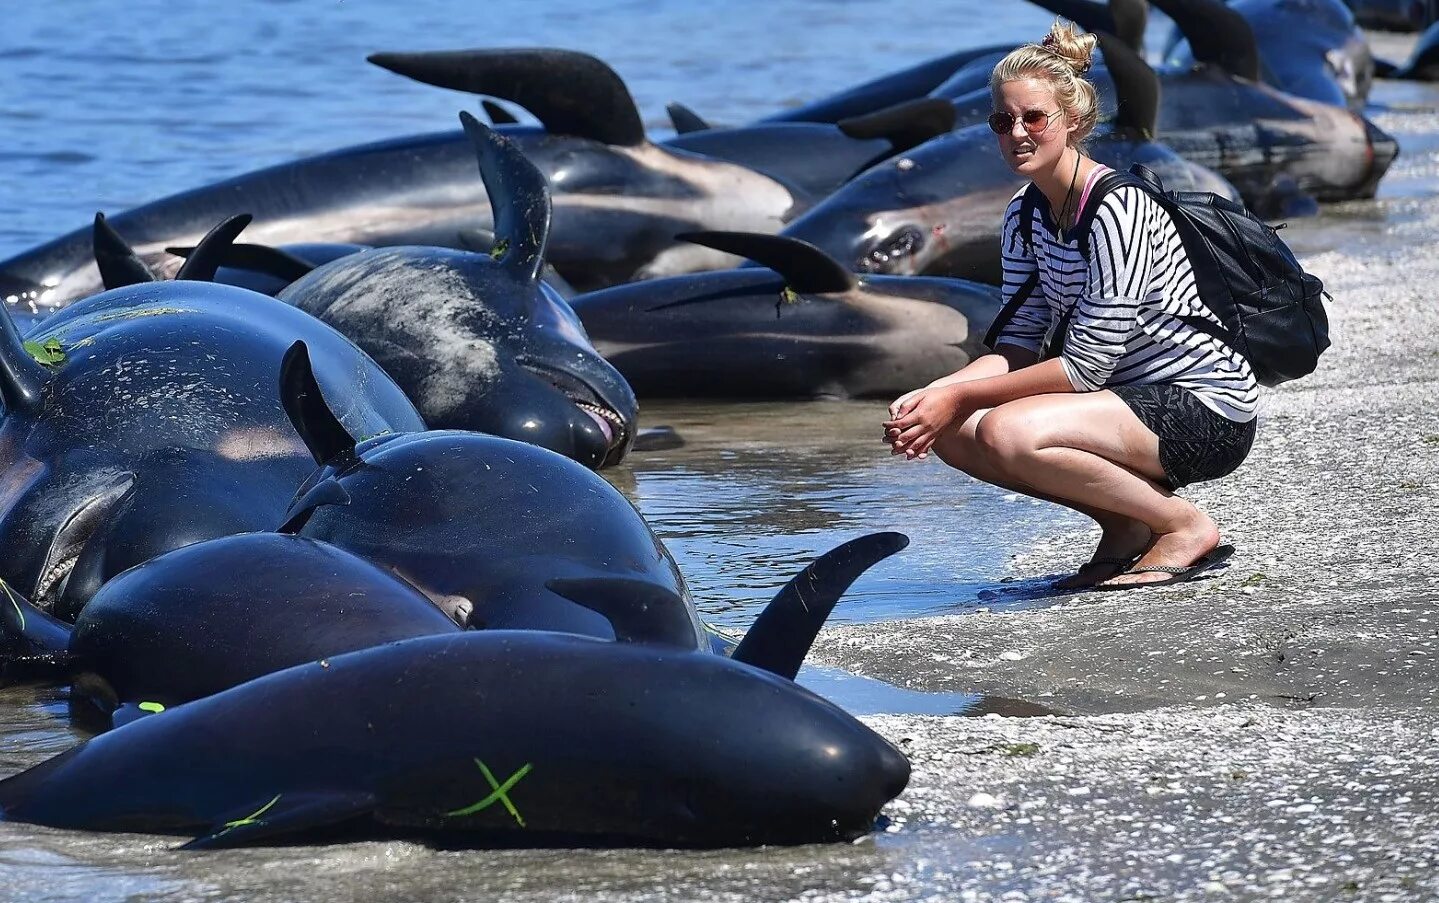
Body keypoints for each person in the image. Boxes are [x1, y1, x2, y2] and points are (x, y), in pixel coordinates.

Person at [882, 20, 1258, 590]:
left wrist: (956, 395)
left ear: (1074, 122)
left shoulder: (1117, 207)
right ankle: (1125, 526)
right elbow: (1015, 347)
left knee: (1005, 432)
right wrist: (934, 399)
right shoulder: (1024, 215)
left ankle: (1184, 525)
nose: (1017, 133)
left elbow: (1085, 369)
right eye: (1002, 122)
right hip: (1124, 404)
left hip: (1205, 408)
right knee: (953, 430)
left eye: (1034, 118)